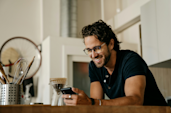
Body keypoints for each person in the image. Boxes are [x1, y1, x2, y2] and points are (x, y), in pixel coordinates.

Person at [62, 20, 168, 106]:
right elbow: (95, 104)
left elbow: (136, 101)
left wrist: (92, 103)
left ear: (111, 44)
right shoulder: (94, 67)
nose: (93, 55)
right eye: (89, 50)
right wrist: (86, 103)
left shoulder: (130, 60)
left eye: (97, 48)